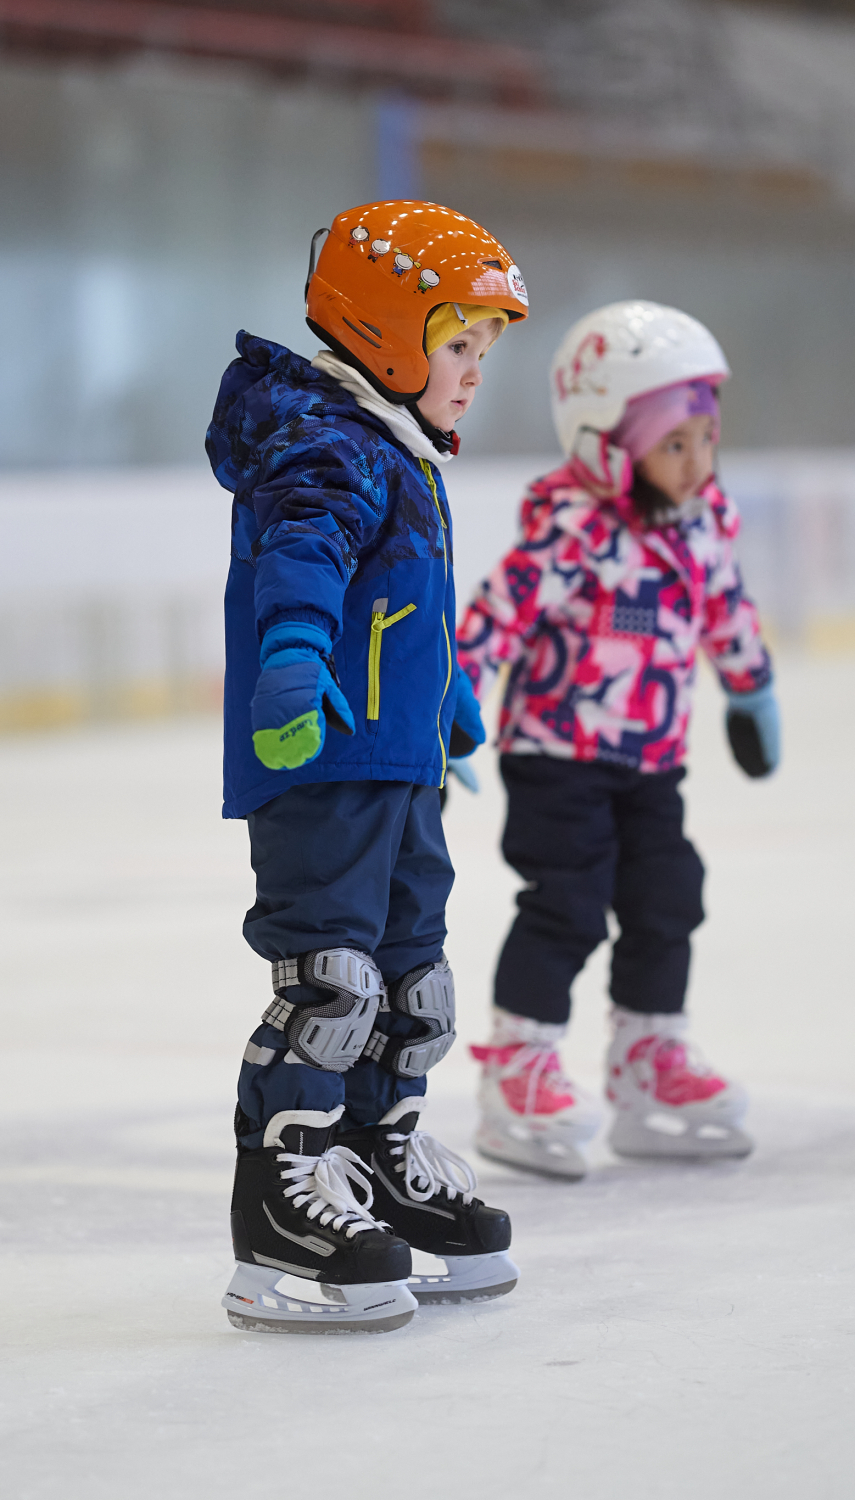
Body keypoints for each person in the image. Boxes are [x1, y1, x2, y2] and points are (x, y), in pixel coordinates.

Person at [205, 200, 529, 1332]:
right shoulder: (325, 441)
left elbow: (406, 605)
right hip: (324, 760)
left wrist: (447, 703)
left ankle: (376, 1154)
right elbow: (305, 554)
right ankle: (281, 1187)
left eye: (484, 350)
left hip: (397, 765)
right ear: (384, 331)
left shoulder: (394, 442)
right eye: (458, 344)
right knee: (332, 982)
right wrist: (293, 659)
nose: (474, 371)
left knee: (411, 982)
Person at [457, 300, 779, 1181]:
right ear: (606, 442)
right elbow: (494, 617)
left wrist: (750, 687)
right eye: (675, 443)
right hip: (557, 758)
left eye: (706, 439)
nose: (698, 461)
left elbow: (726, 608)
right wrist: (452, 709)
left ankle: (648, 1055)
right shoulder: (575, 528)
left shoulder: (703, 519)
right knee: (567, 903)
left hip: (652, 761)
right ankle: (518, 1064)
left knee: (668, 894)